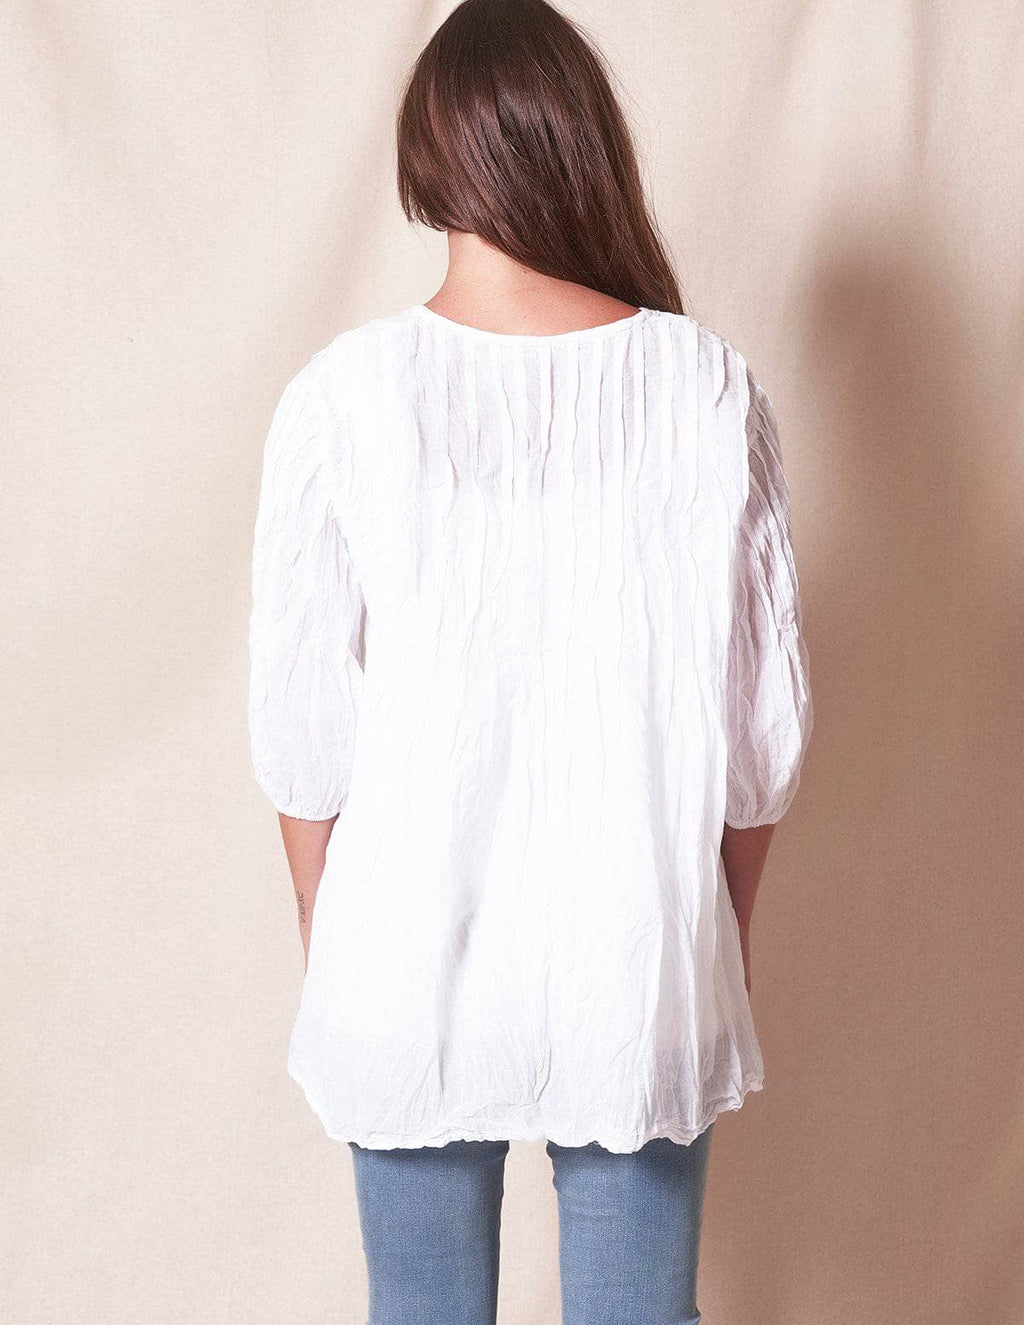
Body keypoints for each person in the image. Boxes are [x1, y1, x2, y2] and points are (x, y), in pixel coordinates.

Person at [247, 0, 814, 1320]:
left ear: (426, 158)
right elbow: (759, 740)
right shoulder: (707, 389)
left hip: (400, 950)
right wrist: (715, 935)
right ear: (582, 147)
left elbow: (304, 730)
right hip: (640, 946)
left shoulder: (344, 396)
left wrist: (334, 936)